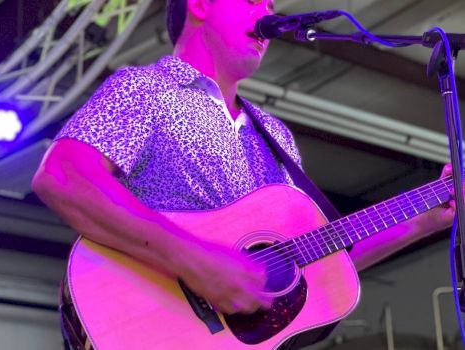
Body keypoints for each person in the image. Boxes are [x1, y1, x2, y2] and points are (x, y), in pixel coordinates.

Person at [32, 0, 457, 348]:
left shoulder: (274, 136)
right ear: (199, 4)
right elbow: (64, 177)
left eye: (271, 4)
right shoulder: (145, 89)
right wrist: (196, 262)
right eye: (254, 0)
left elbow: (316, 263)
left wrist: (420, 223)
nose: (266, 12)